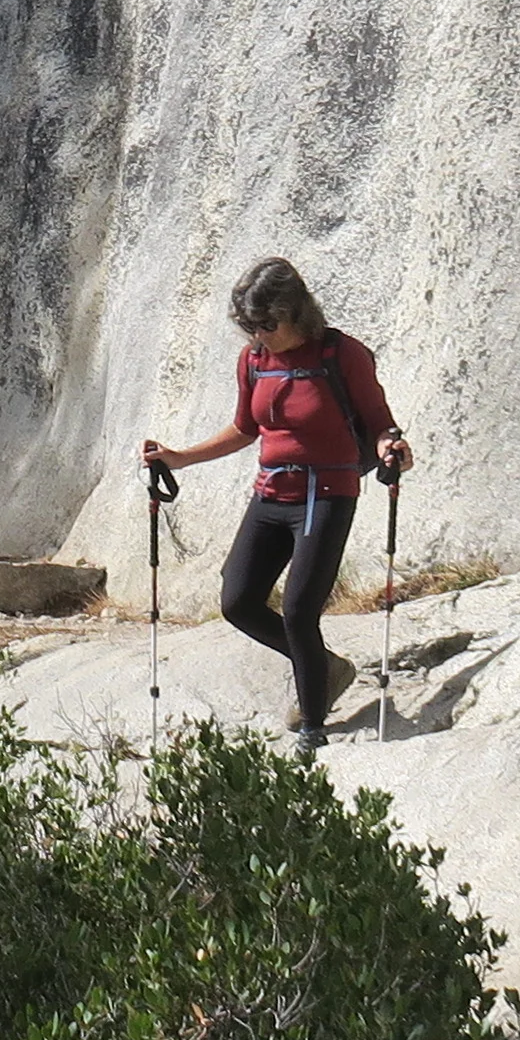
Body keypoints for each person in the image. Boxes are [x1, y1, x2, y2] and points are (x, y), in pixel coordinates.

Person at [139, 257, 411, 735]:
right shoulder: (254, 360)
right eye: (249, 325)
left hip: (325, 494)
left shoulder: (341, 354)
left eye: (267, 324)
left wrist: (391, 447)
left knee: (298, 610)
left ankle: (312, 726)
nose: (258, 334)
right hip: (271, 492)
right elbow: (247, 427)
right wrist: (180, 457)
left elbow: (378, 421)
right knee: (238, 602)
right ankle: (325, 669)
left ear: (296, 312)